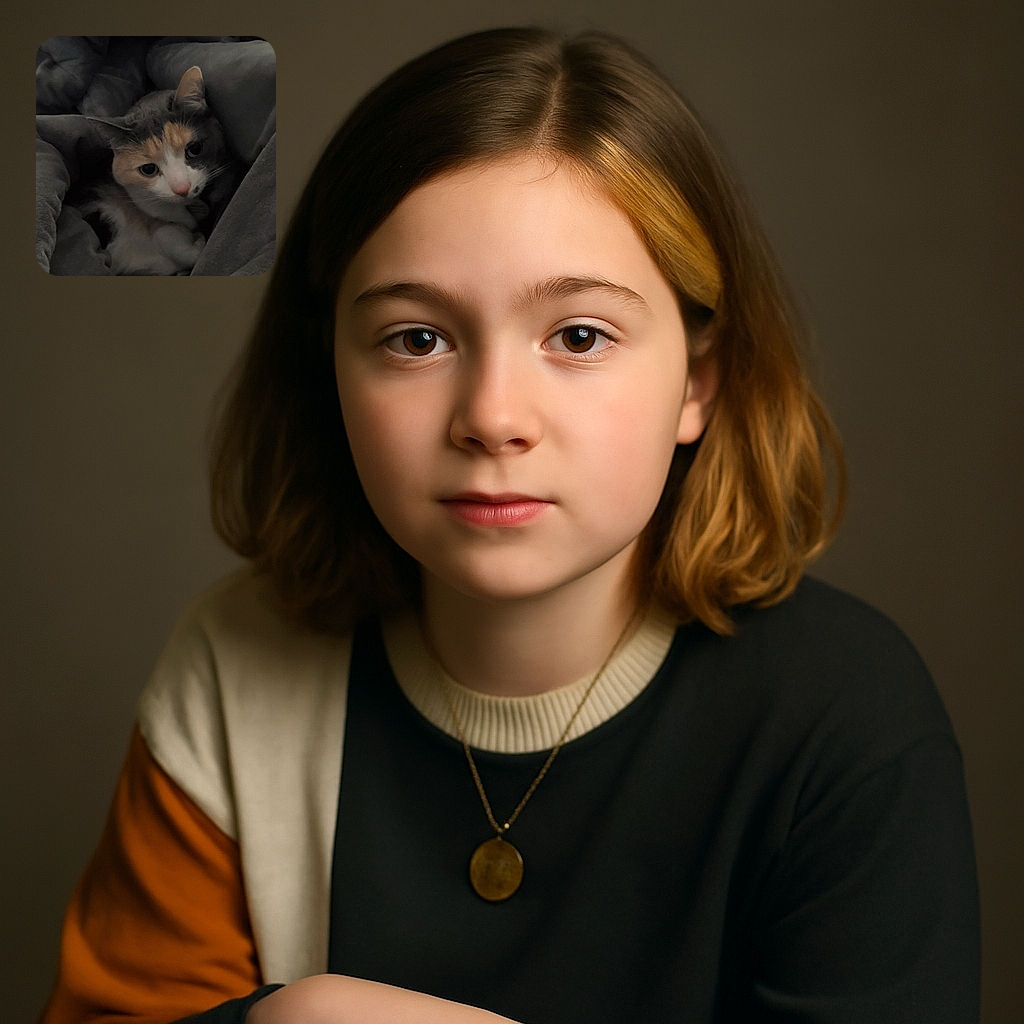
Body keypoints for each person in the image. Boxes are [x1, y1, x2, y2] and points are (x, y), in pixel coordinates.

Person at [39, 26, 979, 1024]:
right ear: (332, 373)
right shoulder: (234, 665)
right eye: (417, 338)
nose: (492, 416)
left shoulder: (845, 712)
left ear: (697, 382)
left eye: (577, 335)